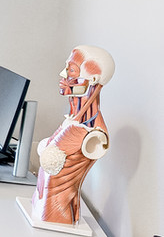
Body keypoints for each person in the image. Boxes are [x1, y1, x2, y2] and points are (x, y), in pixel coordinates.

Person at [32, 45, 114, 224]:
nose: (63, 74)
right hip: (38, 210)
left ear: (93, 78)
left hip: (56, 217)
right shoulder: (72, 120)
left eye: (71, 70)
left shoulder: (94, 134)